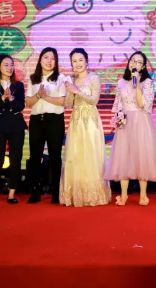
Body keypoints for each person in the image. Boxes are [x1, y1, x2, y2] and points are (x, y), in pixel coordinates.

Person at [105, 51, 156, 205]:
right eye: (133, 60)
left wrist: (137, 84)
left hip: (141, 122)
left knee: (142, 156)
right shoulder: (121, 82)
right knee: (123, 157)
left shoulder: (148, 82)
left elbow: (142, 104)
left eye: (139, 62)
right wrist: (118, 118)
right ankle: (123, 195)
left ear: (143, 67)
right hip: (125, 122)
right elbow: (118, 105)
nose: (135, 64)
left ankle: (143, 195)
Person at [59, 48, 111, 207]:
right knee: (75, 155)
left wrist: (77, 91)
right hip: (76, 121)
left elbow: (94, 100)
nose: (78, 63)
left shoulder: (94, 78)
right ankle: (76, 194)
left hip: (91, 121)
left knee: (91, 155)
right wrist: (68, 90)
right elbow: (68, 104)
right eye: (74, 61)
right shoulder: (72, 81)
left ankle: (94, 194)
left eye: (80, 60)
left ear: (87, 61)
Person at [25, 47, 68, 204]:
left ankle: (56, 191)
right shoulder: (33, 79)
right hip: (37, 120)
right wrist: (38, 95)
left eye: (53, 58)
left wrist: (46, 97)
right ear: (40, 60)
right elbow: (28, 102)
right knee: (35, 156)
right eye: (46, 57)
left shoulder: (61, 78)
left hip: (55, 120)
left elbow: (63, 101)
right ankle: (35, 191)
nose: (49, 61)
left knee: (55, 156)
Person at [0, 55, 27, 205]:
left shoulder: (18, 85)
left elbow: (20, 106)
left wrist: (11, 99)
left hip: (16, 125)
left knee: (16, 159)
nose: (9, 68)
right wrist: (2, 98)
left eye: (11, 65)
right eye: (6, 65)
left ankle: (12, 193)